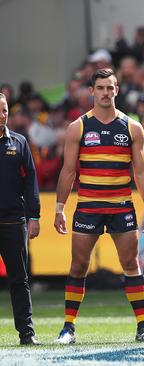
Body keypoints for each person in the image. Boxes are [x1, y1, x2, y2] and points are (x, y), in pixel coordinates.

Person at [53, 68, 144, 344]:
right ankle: (68, 327)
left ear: (117, 90)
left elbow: (142, 171)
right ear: (91, 91)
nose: (105, 93)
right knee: (78, 266)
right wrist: (59, 208)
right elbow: (68, 171)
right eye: (100, 88)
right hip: (88, 206)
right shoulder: (78, 127)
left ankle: (143, 326)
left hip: (121, 206)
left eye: (110, 88)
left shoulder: (131, 127)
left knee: (131, 264)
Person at [0, 92, 41, 345]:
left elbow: (31, 181)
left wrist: (34, 216)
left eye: (4, 109)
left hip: (14, 223)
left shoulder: (19, 142)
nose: (1, 114)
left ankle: (27, 333)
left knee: (19, 279)